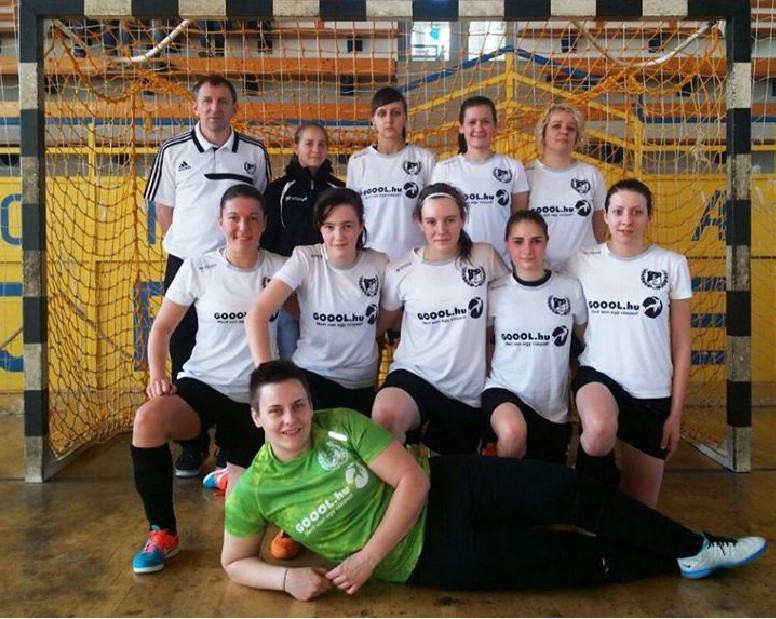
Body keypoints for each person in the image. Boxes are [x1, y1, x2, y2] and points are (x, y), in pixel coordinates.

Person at [221, 360, 767, 600]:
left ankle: (695, 545)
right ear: (257, 417)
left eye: (298, 405)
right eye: (277, 411)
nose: (291, 419)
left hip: (450, 484)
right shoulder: (255, 490)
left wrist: (366, 559)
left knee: (570, 491)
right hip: (427, 556)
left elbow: (412, 483)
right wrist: (286, 581)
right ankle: (674, 561)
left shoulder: (339, 424)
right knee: (569, 561)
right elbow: (234, 562)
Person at [130, 185, 285, 574]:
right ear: (220, 222)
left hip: (255, 398)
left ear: (264, 223)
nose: (243, 227)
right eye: (234, 218)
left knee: (244, 515)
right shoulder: (199, 267)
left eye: (252, 218)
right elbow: (162, 328)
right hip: (203, 385)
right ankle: (163, 532)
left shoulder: (282, 268)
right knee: (147, 420)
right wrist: (157, 377)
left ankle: (230, 474)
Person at [143, 75, 271, 477]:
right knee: (183, 350)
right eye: (207, 100)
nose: (215, 107)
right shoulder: (173, 151)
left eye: (222, 101)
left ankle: (238, 439)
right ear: (195, 106)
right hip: (188, 264)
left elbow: (256, 205)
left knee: (237, 347)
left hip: (238, 268)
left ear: (234, 108)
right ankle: (192, 446)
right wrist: (190, 250)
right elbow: (164, 209)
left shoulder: (254, 153)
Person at [563, 179, 692, 508]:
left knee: (640, 511)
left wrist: (675, 415)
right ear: (605, 216)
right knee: (599, 431)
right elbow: (568, 318)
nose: (626, 220)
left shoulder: (671, 264)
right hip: (599, 376)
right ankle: (592, 495)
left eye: (636, 212)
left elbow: (681, 345)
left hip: (650, 390)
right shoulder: (581, 260)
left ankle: (610, 497)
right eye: (618, 211)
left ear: (649, 216)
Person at [372, 183, 508, 454]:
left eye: (450, 220)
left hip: (466, 391)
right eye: (432, 221)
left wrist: (491, 348)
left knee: (446, 471)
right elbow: (380, 325)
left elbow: (509, 309)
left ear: (463, 219)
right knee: (385, 418)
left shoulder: (484, 257)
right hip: (415, 374)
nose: (441, 230)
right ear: (419, 223)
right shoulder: (400, 269)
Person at [246, 187, 388, 416]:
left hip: (360, 383)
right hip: (312, 377)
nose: (338, 236)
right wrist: (266, 381)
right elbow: (257, 314)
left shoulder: (379, 263)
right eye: (329, 227)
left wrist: (368, 331)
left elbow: (393, 312)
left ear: (361, 226)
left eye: (347, 226)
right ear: (320, 227)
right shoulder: (306, 258)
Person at [483, 210, 586, 461]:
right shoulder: (494, 292)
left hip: (552, 408)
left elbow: (585, 343)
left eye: (536, 241)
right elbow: (482, 343)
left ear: (546, 242)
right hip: (504, 391)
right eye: (518, 241)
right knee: (512, 433)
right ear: (507, 243)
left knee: (544, 481)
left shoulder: (570, 289)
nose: (527, 250)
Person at [261, 123, 345, 360]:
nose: (316, 149)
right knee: (291, 357)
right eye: (309, 143)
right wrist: (283, 288)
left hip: (328, 287)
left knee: (327, 357)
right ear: (296, 147)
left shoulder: (338, 190)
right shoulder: (278, 190)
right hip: (289, 289)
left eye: (321, 144)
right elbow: (267, 243)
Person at [431, 96, 529, 264]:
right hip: (458, 262)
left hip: (502, 262)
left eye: (485, 122)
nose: (479, 128)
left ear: (495, 127)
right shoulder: (444, 169)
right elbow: (438, 220)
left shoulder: (513, 167)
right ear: (461, 127)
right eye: (472, 122)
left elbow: (519, 223)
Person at [346, 87, 436, 260]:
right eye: (382, 114)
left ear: (405, 118)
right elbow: (352, 213)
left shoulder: (425, 158)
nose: (389, 120)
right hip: (370, 257)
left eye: (396, 113)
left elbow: (435, 211)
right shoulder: (358, 161)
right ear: (373, 120)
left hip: (416, 257)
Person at [526, 102, 607, 271]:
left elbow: (599, 230)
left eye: (571, 128)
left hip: (584, 270)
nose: (564, 131)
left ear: (577, 137)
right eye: (556, 126)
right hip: (539, 270)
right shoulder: (526, 174)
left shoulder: (591, 175)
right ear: (543, 133)